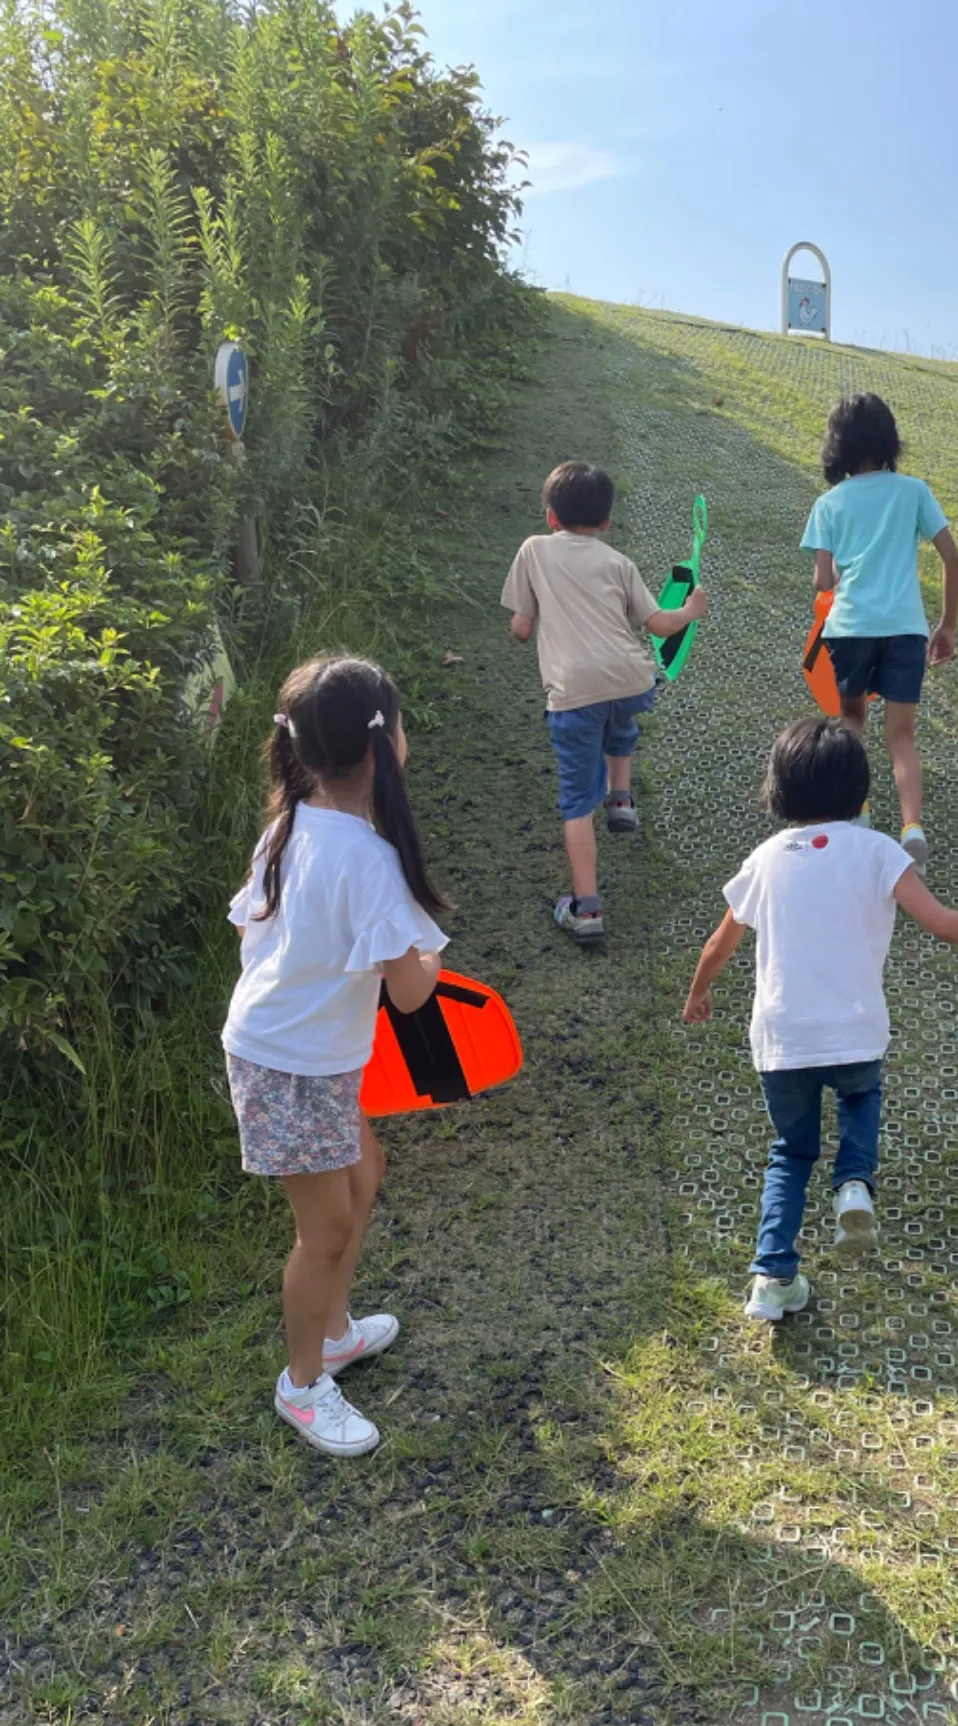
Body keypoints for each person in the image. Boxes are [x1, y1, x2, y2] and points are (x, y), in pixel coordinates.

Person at [685, 717, 958, 1321]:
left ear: (779, 789)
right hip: (855, 1033)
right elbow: (936, 919)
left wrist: (699, 994)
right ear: (860, 791)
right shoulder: (879, 852)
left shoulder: (766, 859)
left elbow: (718, 944)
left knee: (791, 1150)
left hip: (782, 1039)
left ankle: (773, 1277)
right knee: (860, 1101)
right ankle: (854, 1185)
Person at [223, 656, 449, 1458]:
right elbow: (414, 995)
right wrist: (428, 956)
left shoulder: (292, 824)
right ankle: (301, 1383)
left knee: (363, 1172)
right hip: (289, 1062)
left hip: (301, 1052)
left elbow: (255, 932)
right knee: (324, 1230)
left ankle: (336, 1331)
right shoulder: (370, 858)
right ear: (385, 746)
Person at [501, 461, 708, 943]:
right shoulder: (619, 563)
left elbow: (520, 626)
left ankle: (587, 910)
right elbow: (658, 626)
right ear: (607, 523)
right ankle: (621, 799)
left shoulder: (533, 550)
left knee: (576, 802)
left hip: (574, 692)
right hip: (633, 678)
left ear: (550, 516)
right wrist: (692, 609)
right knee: (620, 726)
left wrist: (524, 629)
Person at [801, 393, 958, 875]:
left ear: (838, 447)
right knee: (902, 736)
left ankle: (860, 814)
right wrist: (947, 625)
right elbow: (952, 557)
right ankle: (912, 828)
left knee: (852, 726)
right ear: (889, 439)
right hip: (906, 629)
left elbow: (823, 581)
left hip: (850, 629)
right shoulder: (913, 491)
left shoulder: (828, 504)